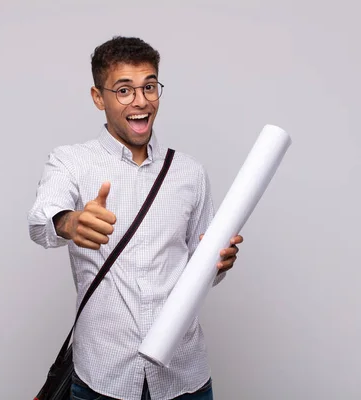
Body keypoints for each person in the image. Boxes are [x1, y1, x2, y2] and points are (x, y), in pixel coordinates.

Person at [28, 36, 243, 400]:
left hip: (183, 376)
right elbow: (40, 222)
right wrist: (72, 222)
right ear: (99, 98)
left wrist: (217, 263)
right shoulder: (71, 161)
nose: (141, 100)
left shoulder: (189, 172)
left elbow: (201, 268)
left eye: (149, 86)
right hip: (103, 376)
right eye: (124, 90)